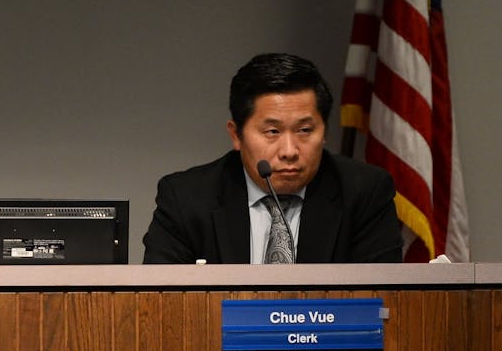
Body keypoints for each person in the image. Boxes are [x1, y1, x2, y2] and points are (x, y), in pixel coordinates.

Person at [142, 53, 403, 264]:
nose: (289, 150)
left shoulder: (365, 193)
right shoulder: (185, 198)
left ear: (324, 132)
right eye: (272, 132)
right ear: (236, 135)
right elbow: (162, 306)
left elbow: (380, 303)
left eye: (304, 130)